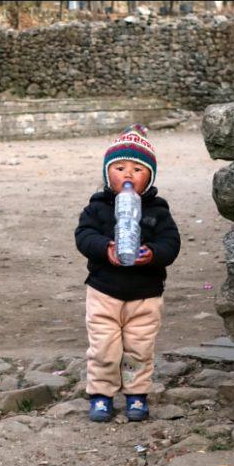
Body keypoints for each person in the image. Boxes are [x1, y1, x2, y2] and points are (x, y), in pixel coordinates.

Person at [74, 124, 181, 422]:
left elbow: (171, 243)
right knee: (104, 348)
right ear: (108, 174)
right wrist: (104, 248)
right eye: (120, 168)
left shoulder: (158, 211)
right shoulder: (97, 208)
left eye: (138, 169)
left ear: (150, 178)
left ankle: (136, 394)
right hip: (103, 292)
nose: (128, 175)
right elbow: (83, 236)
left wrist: (154, 254)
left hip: (145, 296)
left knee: (139, 348)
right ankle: (101, 394)